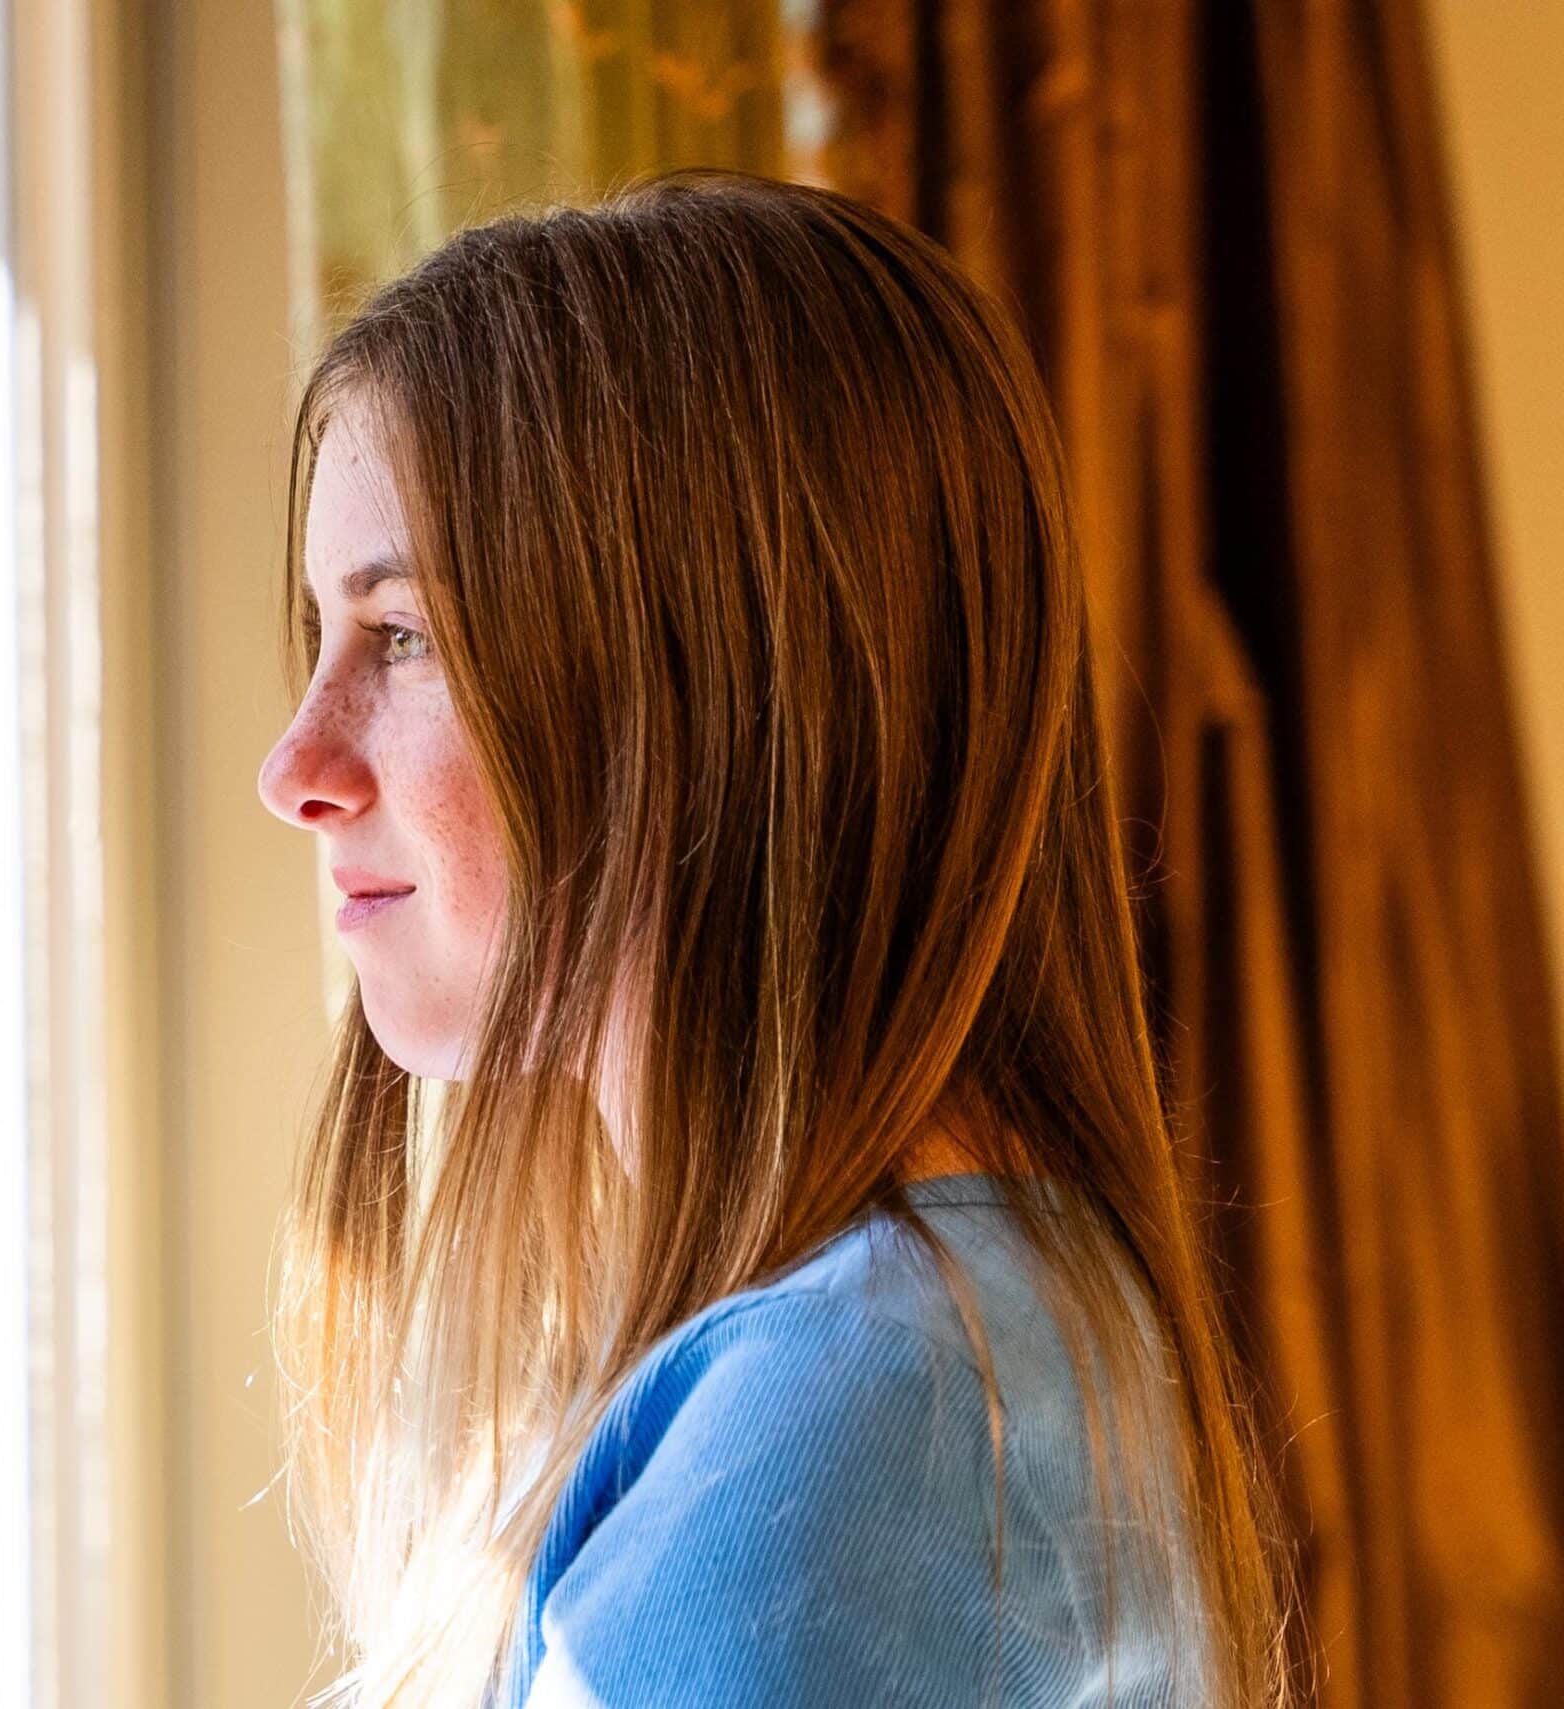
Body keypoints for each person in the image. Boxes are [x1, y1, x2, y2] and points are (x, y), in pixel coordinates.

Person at [254, 169, 1296, 1709]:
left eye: (402, 636)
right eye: (325, 635)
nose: (294, 768)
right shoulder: (974, 1330)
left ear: (712, 691)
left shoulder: (854, 1417)